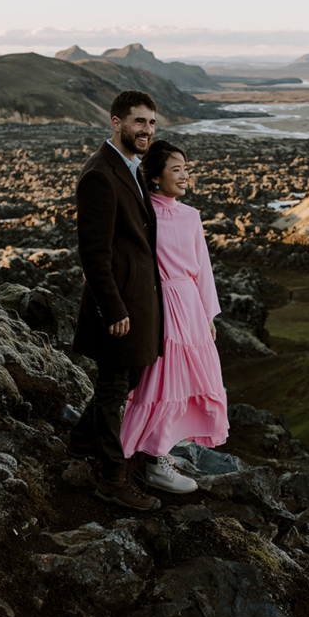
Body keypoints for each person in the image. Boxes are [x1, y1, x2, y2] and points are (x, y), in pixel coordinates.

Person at [67, 90, 165, 511]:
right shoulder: (100, 175)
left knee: (124, 381)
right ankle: (112, 478)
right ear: (116, 122)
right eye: (139, 122)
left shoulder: (133, 168)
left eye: (152, 123)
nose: (146, 130)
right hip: (118, 304)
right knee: (112, 388)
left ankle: (81, 441)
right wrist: (113, 309)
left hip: (136, 298)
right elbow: (94, 252)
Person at [120, 139, 227, 494]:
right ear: (155, 177)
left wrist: (208, 313)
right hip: (158, 305)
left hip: (191, 307)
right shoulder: (142, 212)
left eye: (186, 169)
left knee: (187, 384)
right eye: (176, 169)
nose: (184, 176)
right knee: (161, 383)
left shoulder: (191, 215)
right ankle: (151, 458)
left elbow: (203, 270)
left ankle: (159, 451)